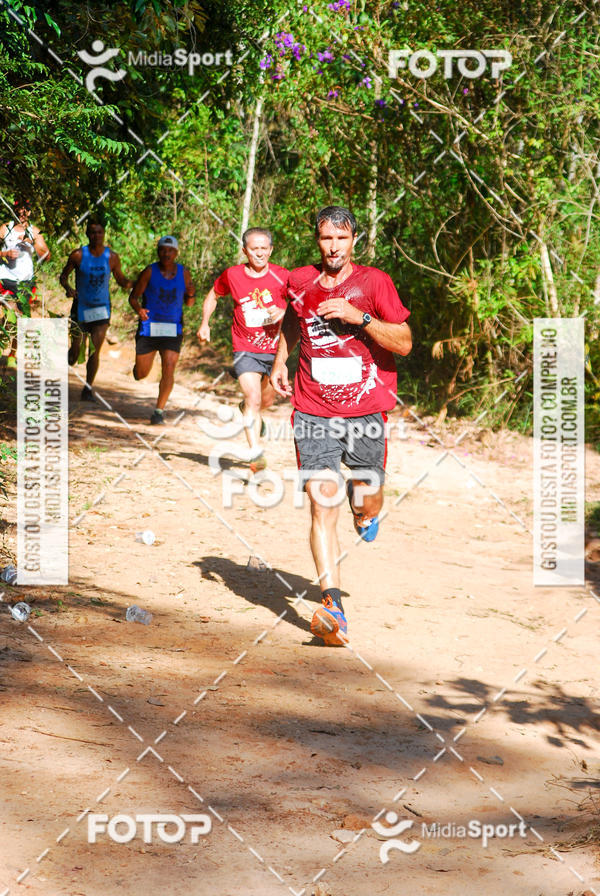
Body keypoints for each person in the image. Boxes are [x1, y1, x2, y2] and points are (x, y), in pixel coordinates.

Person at [270, 206, 412, 645]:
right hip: (312, 407)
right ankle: (333, 607)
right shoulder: (298, 280)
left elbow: (404, 344)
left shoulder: (375, 283)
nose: (333, 247)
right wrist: (280, 358)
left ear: (355, 241)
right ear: (318, 240)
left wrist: (360, 318)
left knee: (368, 499)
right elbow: (294, 320)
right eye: (326, 239)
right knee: (319, 500)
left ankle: (362, 504)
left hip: (367, 408)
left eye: (341, 239)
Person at [197, 228, 288, 472]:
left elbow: (301, 303)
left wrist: (284, 311)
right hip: (245, 348)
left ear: (271, 250)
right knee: (253, 398)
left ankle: (247, 410)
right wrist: (205, 324)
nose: (259, 253)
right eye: (253, 248)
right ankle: (255, 453)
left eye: (263, 248)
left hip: (274, 349)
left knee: (265, 401)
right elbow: (213, 296)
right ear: (244, 250)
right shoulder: (232, 275)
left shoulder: (283, 276)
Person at [60, 219, 133, 400]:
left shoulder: (112, 257)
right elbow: (63, 276)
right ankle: (67, 363)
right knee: (76, 351)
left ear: (104, 234)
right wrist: (69, 289)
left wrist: (142, 282)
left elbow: (122, 281)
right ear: (87, 234)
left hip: (101, 310)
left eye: (100, 232)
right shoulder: (78, 255)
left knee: (94, 351)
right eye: (93, 232)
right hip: (80, 307)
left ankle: (88, 388)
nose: (96, 236)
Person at [129, 235, 196, 424]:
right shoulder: (149, 272)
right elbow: (133, 297)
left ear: (176, 253)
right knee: (142, 374)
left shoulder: (184, 273)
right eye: (163, 250)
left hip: (172, 328)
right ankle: (137, 370)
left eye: (170, 250)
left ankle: (159, 411)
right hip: (149, 328)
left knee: (169, 366)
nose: (166, 254)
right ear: (158, 252)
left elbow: (190, 303)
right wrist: (139, 310)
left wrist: (191, 293)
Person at [0, 198, 50, 368]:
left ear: (29, 212)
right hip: (5, 278)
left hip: (24, 282)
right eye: (18, 209)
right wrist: (5, 253)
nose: (22, 213)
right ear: (13, 210)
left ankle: (13, 354)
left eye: (25, 210)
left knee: (19, 319)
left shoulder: (34, 231)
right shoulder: (5, 229)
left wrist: (33, 242)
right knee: (6, 313)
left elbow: (46, 256)